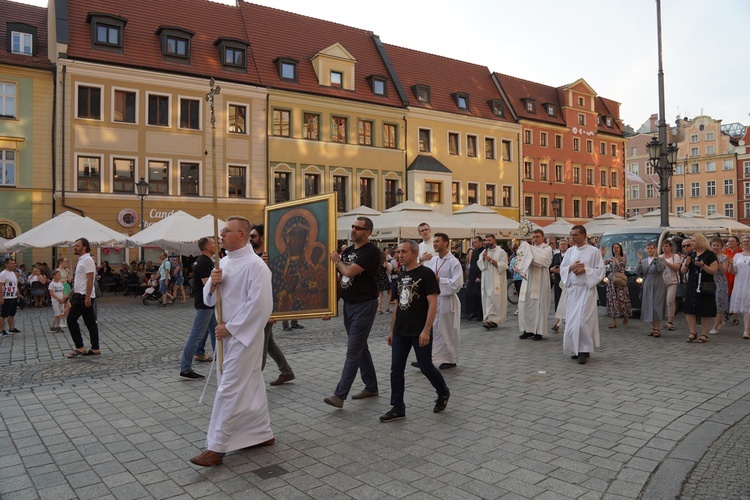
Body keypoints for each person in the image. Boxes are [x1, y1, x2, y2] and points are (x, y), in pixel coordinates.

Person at [189, 216, 274, 468]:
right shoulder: (222, 262)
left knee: (229, 388)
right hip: (225, 336)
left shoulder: (256, 266)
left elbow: (260, 304)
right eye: (222, 231)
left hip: (242, 336)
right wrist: (213, 285)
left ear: (241, 235)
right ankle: (261, 432)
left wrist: (232, 327)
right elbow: (208, 300)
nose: (221, 235)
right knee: (250, 383)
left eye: (226, 231)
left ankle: (216, 447)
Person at [380, 240, 450, 422]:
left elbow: (433, 303)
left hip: (419, 330)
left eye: (403, 252)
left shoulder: (425, 274)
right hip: (401, 332)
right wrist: (391, 330)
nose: (399, 255)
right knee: (396, 369)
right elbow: (397, 306)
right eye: (398, 252)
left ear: (413, 253)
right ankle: (397, 407)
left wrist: (427, 330)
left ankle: (443, 392)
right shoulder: (401, 275)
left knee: (426, 367)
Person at [324, 216, 381, 409]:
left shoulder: (372, 252)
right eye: (353, 226)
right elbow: (342, 281)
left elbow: (349, 272)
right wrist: (331, 307)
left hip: (365, 305)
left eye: (358, 228)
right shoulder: (348, 251)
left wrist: (338, 261)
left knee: (353, 350)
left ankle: (340, 395)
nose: (354, 230)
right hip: (349, 304)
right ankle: (371, 386)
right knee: (360, 347)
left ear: (368, 232)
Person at [251, 224, 295, 386]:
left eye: (253, 236)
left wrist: (274, 311)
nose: (250, 239)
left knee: (261, 343)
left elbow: (277, 284)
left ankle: (255, 380)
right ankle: (286, 371)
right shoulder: (252, 256)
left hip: (266, 307)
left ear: (262, 238)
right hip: (254, 306)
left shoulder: (272, 257)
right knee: (268, 343)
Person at [561, 225, 605, 364]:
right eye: (571, 235)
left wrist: (585, 270)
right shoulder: (569, 252)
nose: (572, 238)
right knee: (572, 322)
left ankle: (584, 350)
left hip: (586, 290)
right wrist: (572, 268)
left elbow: (600, 270)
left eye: (575, 235)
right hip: (573, 290)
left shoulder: (594, 251)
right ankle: (574, 348)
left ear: (584, 235)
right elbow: (563, 268)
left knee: (583, 321)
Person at [179, 237, 217, 381]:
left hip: (208, 304)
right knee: (196, 335)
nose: (216, 245)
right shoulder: (204, 262)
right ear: (207, 246)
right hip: (205, 304)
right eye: (214, 243)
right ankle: (185, 369)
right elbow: (209, 285)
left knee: (215, 331)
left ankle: (220, 360)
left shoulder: (204, 261)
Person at [425, 232, 463, 369]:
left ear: (445, 243)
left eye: (437, 241)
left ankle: (450, 358)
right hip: (434, 300)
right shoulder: (434, 260)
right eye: (434, 241)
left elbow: (457, 283)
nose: (434, 243)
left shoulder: (454, 262)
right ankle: (428, 358)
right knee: (432, 329)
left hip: (447, 301)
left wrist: (440, 280)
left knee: (447, 331)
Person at [65, 238, 101, 357]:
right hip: (79, 294)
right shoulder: (82, 260)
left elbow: (90, 279)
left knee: (71, 320)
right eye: (74, 245)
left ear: (84, 246)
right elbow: (79, 281)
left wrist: (88, 297)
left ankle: (80, 347)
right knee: (90, 322)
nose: (75, 247)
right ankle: (95, 348)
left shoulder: (87, 260)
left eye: (77, 245)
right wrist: (68, 295)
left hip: (83, 295)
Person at [515, 229, 553, 340]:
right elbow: (521, 259)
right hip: (528, 279)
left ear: (543, 237)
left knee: (538, 305)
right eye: (534, 237)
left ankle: (538, 331)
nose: (535, 239)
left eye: (537, 236)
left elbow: (544, 261)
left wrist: (529, 256)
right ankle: (527, 330)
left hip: (540, 279)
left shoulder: (547, 249)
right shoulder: (529, 248)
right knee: (525, 304)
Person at [682, 234, 718, 344]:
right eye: (691, 241)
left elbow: (714, 271)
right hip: (692, 285)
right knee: (689, 309)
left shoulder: (710, 255)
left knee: (704, 310)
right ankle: (692, 332)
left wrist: (703, 266)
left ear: (701, 242)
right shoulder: (691, 254)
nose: (691, 243)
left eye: (694, 241)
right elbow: (682, 271)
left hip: (705, 286)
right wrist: (686, 264)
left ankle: (704, 334)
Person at [476, 234, 508, 330]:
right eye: (486, 240)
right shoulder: (484, 252)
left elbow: (504, 265)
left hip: (497, 279)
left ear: (494, 240)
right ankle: (490, 320)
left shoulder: (501, 252)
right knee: (488, 298)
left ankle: (492, 320)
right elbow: (481, 265)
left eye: (489, 240)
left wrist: (489, 260)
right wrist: (483, 258)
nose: (487, 242)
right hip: (486, 279)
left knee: (494, 298)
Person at [636, 243, 667, 337]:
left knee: (657, 304)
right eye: (648, 248)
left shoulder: (660, 259)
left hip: (658, 283)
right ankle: (653, 327)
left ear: (655, 249)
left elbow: (661, 268)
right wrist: (639, 261)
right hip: (647, 283)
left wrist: (656, 260)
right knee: (649, 304)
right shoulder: (644, 261)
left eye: (651, 248)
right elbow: (637, 272)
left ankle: (657, 328)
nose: (649, 250)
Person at [605, 242, 632, 328]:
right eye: (614, 248)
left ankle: (625, 315)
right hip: (612, 281)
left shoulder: (623, 258)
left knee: (622, 299)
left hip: (620, 281)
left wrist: (616, 259)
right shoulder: (610, 258)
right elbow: (603, 264)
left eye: (617, 247)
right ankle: (613, 322)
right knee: (612, 301)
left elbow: (618, 267)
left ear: (620, 249)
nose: (615, 249)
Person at [728, 235, 750, 338]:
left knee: (748, 307)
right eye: (744, 241)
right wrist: (731, 264)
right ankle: (746, 330)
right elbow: (732, 271)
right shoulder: (737, 256)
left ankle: (746, 330)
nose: (746, 243)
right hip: (740, 283)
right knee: (746, 308)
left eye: (748, 241)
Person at [659, 240, 682, 331]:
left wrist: (666, 263)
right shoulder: (660, 256)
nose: (664, 248)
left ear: (671, 247)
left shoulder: (675, 256)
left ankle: (670, 322)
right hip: (662, 281)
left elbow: (677, 268)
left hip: (673, 281)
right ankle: (665, 319)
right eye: (663, 246)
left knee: (670, 301)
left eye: (666, 246)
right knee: (664, 301)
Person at [710, 238, 730, 334]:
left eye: (717, 245)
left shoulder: (724, 257)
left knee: (719, 303)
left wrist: (717, 263)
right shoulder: (709, 256)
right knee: (712, 303)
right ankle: (721, 321)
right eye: (714, 245)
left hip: (720, 281)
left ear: (721, 246)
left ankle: (715, 327)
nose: (715, 247)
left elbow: (724, 270)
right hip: (710, 281)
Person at [551, 238, 570, 333]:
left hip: (568, 281)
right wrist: (553, 270)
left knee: (567, 301)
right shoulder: (556, 256)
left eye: (564, 244)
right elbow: (551, 266)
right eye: (561, 244)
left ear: (567, 246)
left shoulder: (570, 255)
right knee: (558, 301)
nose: (562, 246)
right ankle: (557, 323)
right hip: (558, 281)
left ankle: (566, 321)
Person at [464, 236, 484, 322]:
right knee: (471, 295)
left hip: (478, 277)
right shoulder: (474, 251)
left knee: (478, 296)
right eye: (473, 243)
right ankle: (473, 312)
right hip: (472, 277)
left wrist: (480, 276)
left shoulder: (484, 251)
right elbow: (472, 264)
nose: (474, 244)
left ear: (480, 242)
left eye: (476, 242)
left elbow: (484, 265)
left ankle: (480, 314)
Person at [0, 258, 21, 336]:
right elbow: (0, 286)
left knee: (11, 313)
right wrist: (1, 297)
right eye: (11, 263)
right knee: (3, 314)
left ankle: (11, 328)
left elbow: (15, 285)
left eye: (14, 263)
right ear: (6, 264)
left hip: (13, 296)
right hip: (6, 296)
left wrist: (18, 294)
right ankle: (2, 330)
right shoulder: (3, 274)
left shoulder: (12, 273)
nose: (13, 265)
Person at [377, 249, 392, 314]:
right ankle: (387, 307)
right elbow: (389, 271)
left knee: (380, 294)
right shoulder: (385, 263)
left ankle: (379, 309)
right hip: (385, 279)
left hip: (379, 279)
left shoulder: (377, 263)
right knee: (389, 293)